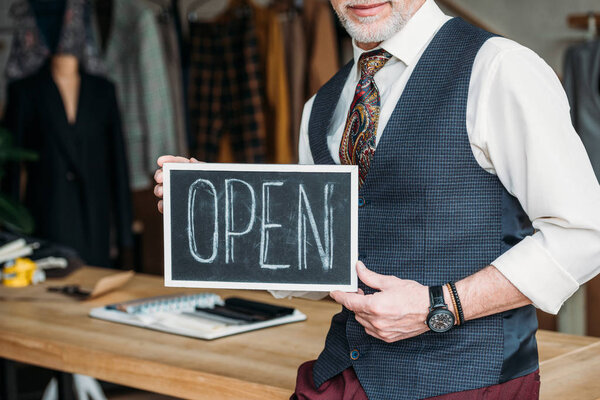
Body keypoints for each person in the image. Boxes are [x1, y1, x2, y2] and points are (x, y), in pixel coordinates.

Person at [154, 0, 600, 398]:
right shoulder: (321, 104)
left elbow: (584, 235)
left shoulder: (501, 68)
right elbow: (318, 260)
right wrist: (218, 206)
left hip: (467, 382)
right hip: (341, 374)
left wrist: (439, 306)